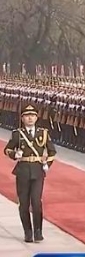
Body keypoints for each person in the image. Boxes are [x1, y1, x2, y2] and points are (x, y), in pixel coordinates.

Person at [4, 104, 56, 243]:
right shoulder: (17, 134)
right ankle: (28, 232)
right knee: (24, 204)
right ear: (22, 118)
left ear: (36, 117)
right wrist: (15, 154)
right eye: (27, 116)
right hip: (23, 171)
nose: (30, 118)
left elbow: (52, 151)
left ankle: (38, 231)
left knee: (36, 202)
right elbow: (7, 149)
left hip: (38, 171)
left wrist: (47, 164)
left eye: (32, 116)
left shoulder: (43, 133)